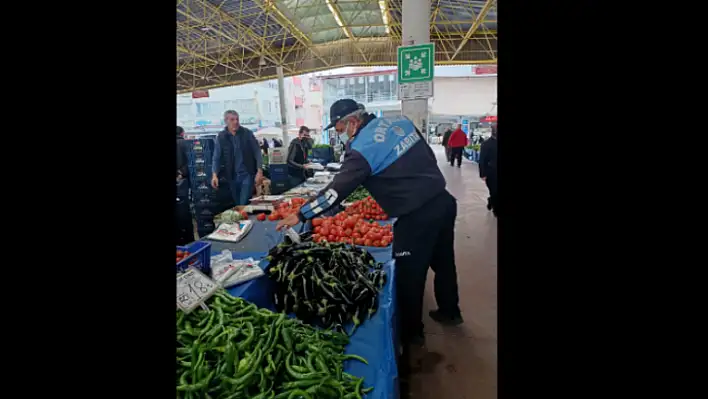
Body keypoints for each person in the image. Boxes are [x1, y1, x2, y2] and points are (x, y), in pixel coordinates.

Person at [276, 99, 463, 350]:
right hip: (443, 199)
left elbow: (336, 192)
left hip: (416, 215)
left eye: (340, 129)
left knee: (409, 275)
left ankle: (412, 335)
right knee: (443, 261)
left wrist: (302, 214)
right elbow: (427, 154)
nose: (340, 135)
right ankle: (450, 312)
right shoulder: (399, 121)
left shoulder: (361, 150)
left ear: (353, 122)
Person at [211, 110, 264, 206]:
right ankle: (244, 220)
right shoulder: (222, 136)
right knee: (237, 203)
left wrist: (259, 171)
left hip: (247, 175)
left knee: (243, 203)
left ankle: (243, 218)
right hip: (232, 177)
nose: (235, 122)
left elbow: (257, 152)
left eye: (237, 119)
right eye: (232, 120)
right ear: (226, 121)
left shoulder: (247, 133)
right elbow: (216, 157)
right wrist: (214, 175)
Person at [176, 126, 194, 245]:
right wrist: (181, 173)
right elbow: (191, 162)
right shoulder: (184, 143)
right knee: (184, 211)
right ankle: (188, 240)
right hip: (182, 181)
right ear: (182, 133)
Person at [479, 124, 498, 217]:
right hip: (492, 172)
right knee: (494, 190)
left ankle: (491, 201)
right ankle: (495, 208)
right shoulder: (486, 144)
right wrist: (482, 174)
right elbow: (482, 160)